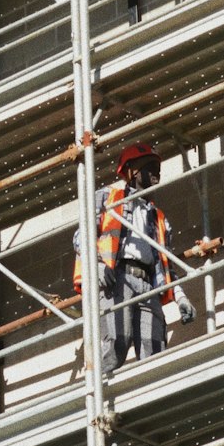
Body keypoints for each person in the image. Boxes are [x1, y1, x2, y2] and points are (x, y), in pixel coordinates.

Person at [72, 142, 195, 374]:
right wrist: (97, 266)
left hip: (148, 284)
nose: (157, 174)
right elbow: (81, 237)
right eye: (150, 168)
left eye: (158, 168)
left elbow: (167, 265)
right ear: (133, 171)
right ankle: (96, 396)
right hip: (117, 280)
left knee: (154, 350)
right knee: (118, 342)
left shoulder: (157, 217)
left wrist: (180, 297)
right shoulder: (108, 198)